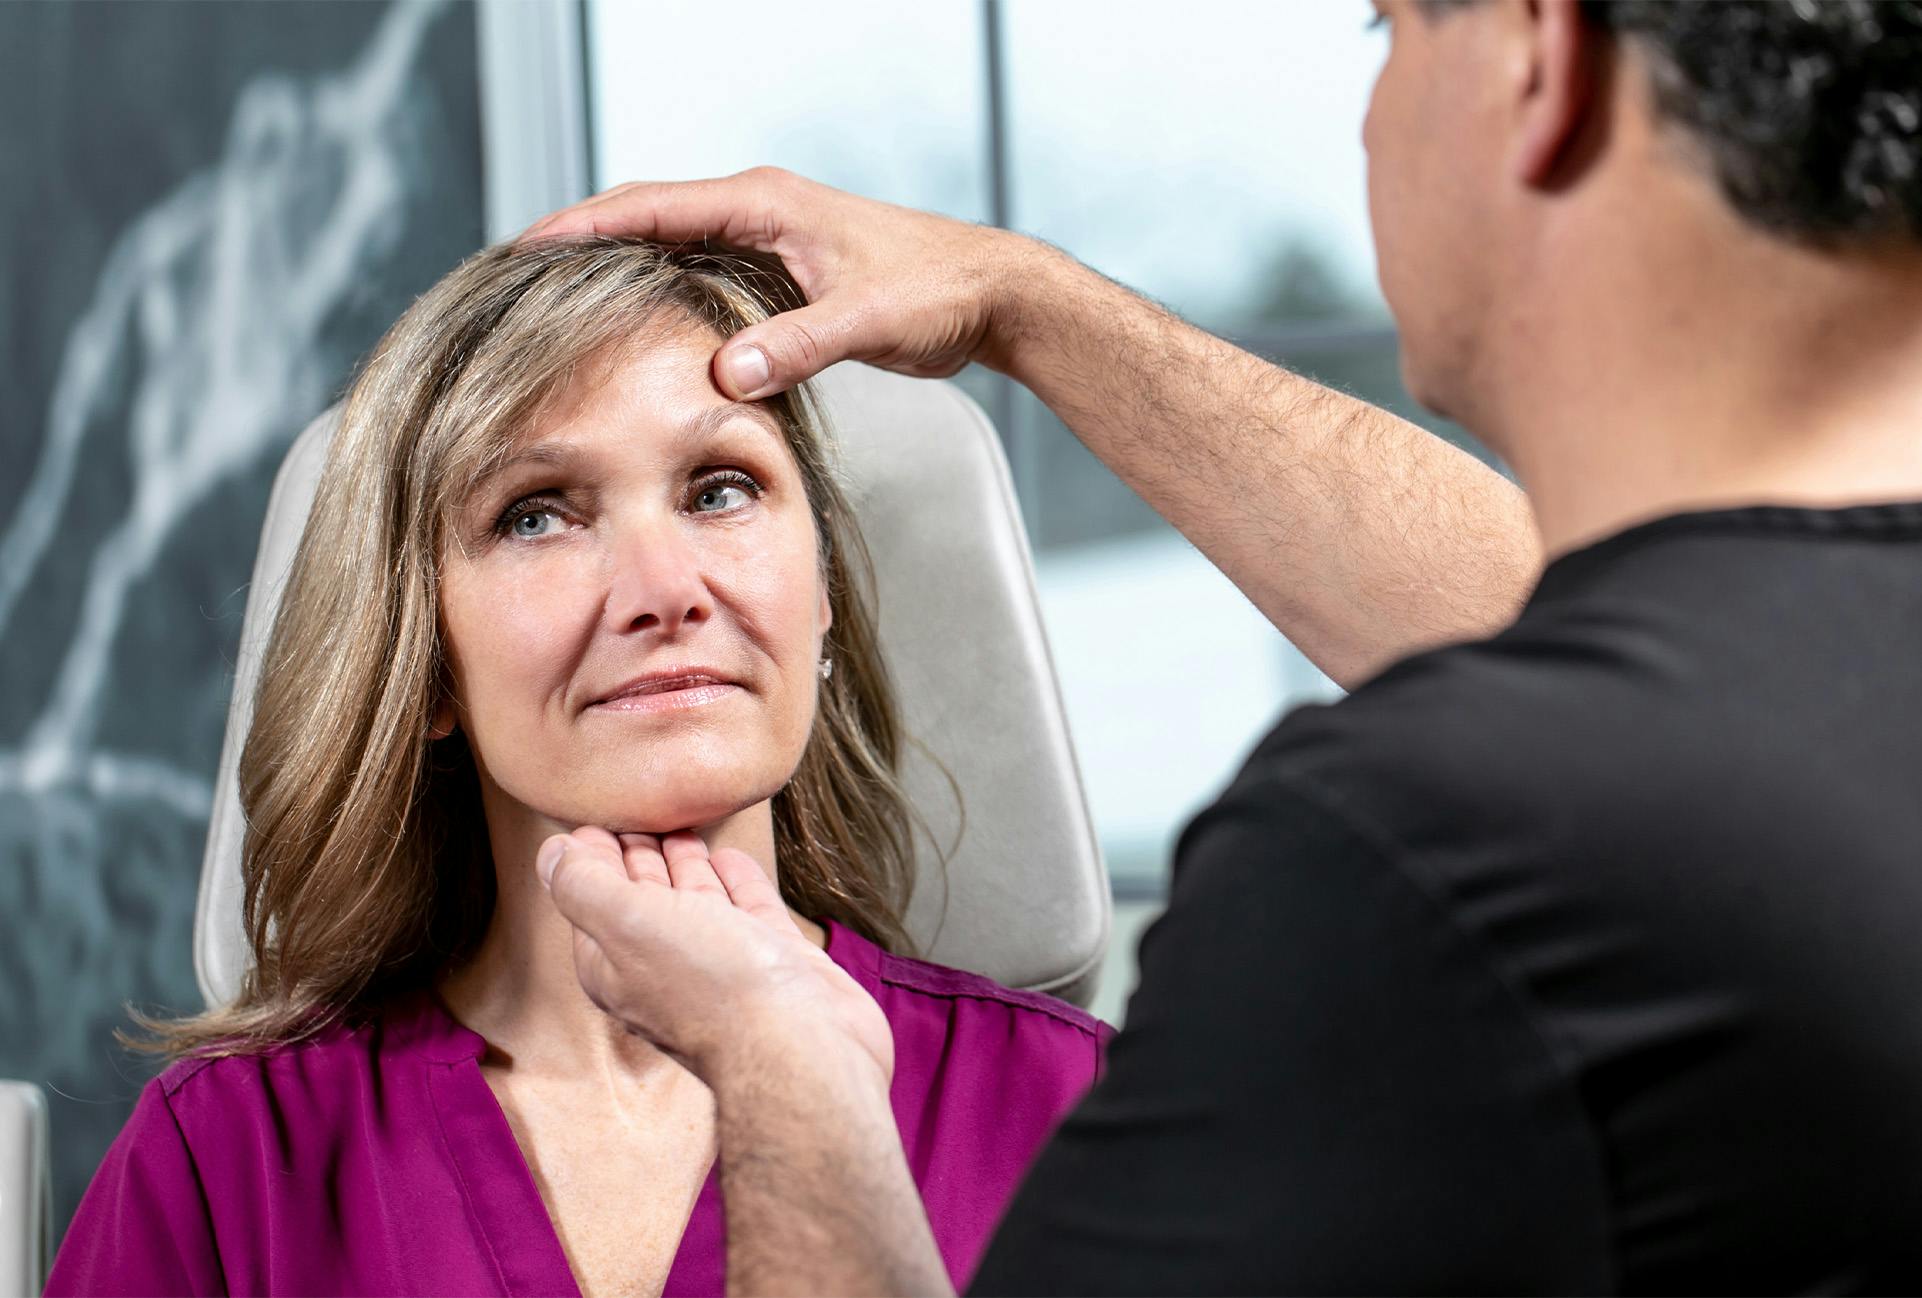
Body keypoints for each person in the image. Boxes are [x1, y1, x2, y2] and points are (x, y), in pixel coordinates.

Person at [518, 0, 1922, 1291]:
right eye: (535, 514)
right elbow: (1638, 647)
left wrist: (785, 1071)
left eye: (1386, 31)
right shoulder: (1777, 721)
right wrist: (1022, 300)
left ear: (1535, 56)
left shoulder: (1424, 849)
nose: (657, 586)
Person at [44, 241, 1110, 1298]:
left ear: (821, 589)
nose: (665, 589)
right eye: (536, 514)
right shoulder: (222, 1168)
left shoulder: (1079, 1109)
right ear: (427, 669)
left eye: (720, 489)